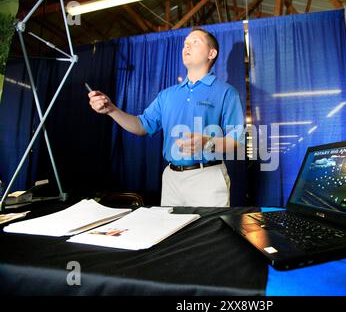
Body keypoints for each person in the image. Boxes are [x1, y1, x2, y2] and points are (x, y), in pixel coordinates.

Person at [88, 27, 244, 207]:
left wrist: (206, 143)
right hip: (171, 178)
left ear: (211, 53)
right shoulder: (167, 95)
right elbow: (141, 126)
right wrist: (111, 109)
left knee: (208, 234)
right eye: (185, 43)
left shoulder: (227, 93)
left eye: (195, 42)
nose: (187, 46)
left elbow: (238, 141)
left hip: (207, 178)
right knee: (172, 234)